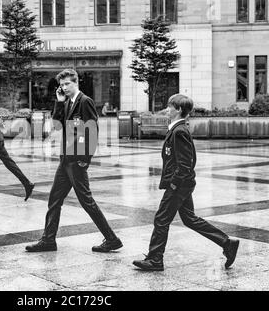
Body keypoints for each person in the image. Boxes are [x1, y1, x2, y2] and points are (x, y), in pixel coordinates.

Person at [133, 94, 239, 271]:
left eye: (170, 106)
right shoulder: (177, 129)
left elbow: (185, 163)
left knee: (161, 219)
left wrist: (174, 184)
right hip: (184, 183)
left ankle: (155, 259)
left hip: (180, 184)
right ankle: (227, 243)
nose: (167, 109)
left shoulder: (179, 131)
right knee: (190, 219)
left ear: (179, 109)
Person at [26, 69, 123, 253]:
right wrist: (59, 103)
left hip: (76, 161)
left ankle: (111, 239)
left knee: (86, 201)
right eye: (61, 85)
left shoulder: (85, 101)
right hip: (65, 160)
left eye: (67, 84)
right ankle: (48, 240)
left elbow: (92, 131)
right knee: (54, 200)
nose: (64, 88)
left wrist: (85, 160)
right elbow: (57, 125)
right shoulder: (68, 102)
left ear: (75, 82)